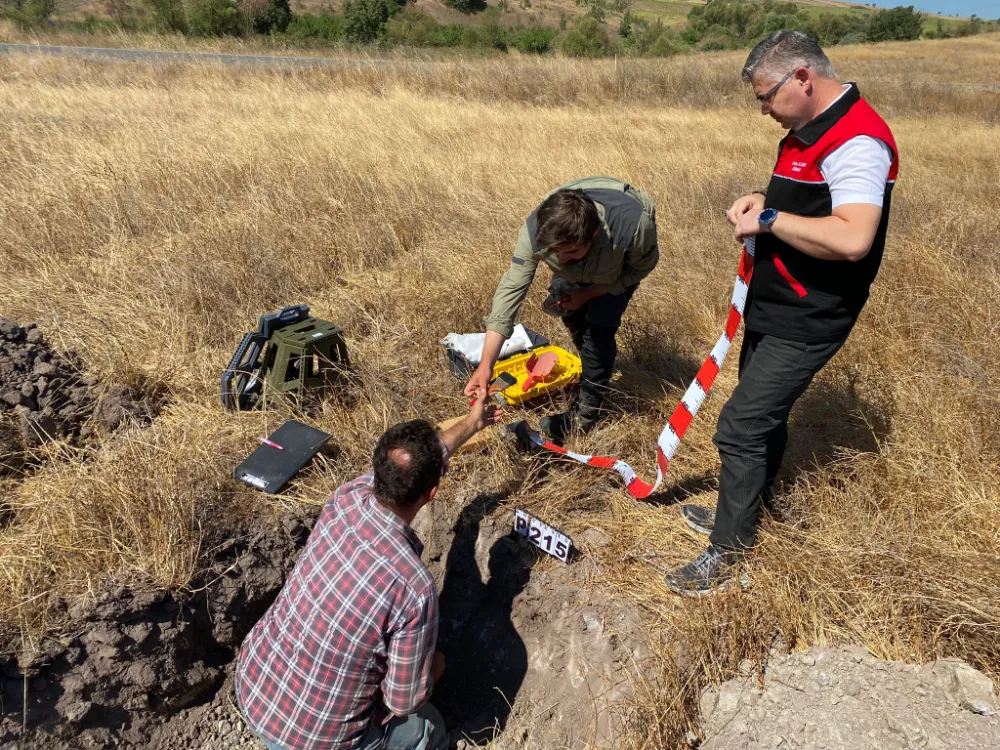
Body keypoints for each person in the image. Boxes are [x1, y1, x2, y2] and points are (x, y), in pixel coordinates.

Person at [665, 30, 898, 596]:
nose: (762, 108)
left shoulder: (858, 140)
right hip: (775, 303)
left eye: (766, 96)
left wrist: (768, 223)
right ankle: (742, 510)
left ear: (802, 78)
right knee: (762, 419)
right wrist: (764, 202)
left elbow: (852, 238)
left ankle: (729, 553)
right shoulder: (805, 129)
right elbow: (808, 204)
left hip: (810, 316)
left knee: (740, 426)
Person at [235, 391, 503, 750]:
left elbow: (411, 466)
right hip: (318, 741)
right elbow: (403, 702)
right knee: (427, 727)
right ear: (432, 493)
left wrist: (472, 423)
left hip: (254, 685)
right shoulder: (411, 586)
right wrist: (435, 668)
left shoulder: (345, 498)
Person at [465, 177, 659, 444]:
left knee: (599, 328)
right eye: (555, 252)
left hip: (614, 267)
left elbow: (639, 269)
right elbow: (512, 289)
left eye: (569, 252)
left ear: (591, 236)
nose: (561, 259)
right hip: (588, 251)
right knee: (569, 310)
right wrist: (486, 365)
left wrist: (590, 293)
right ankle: (595, 371)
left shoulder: (634, 228)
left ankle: (587, 415)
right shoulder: (537, 231)